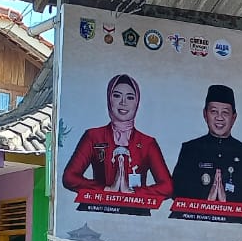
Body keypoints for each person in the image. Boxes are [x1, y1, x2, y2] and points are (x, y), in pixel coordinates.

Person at [61, 74, 173, 216]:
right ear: (109, 99)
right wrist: (105, 190)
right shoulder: (93, 136)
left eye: (130, 97)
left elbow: (167, 187)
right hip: (97, 214)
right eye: (117, 96)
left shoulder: (147, 143)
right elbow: (69, 177)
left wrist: (134, 193)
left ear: (137, 103)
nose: (123, 102)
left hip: (137, 218)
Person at [169, 84, 242, 223]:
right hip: (190, 223)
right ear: (205, 114)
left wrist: (227, 200)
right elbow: (176, 189)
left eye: (225, 112)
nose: (219, 118)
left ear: (234, 117)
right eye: (214, 111)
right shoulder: (190, 149)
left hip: (233, 228)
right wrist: (206, 199)